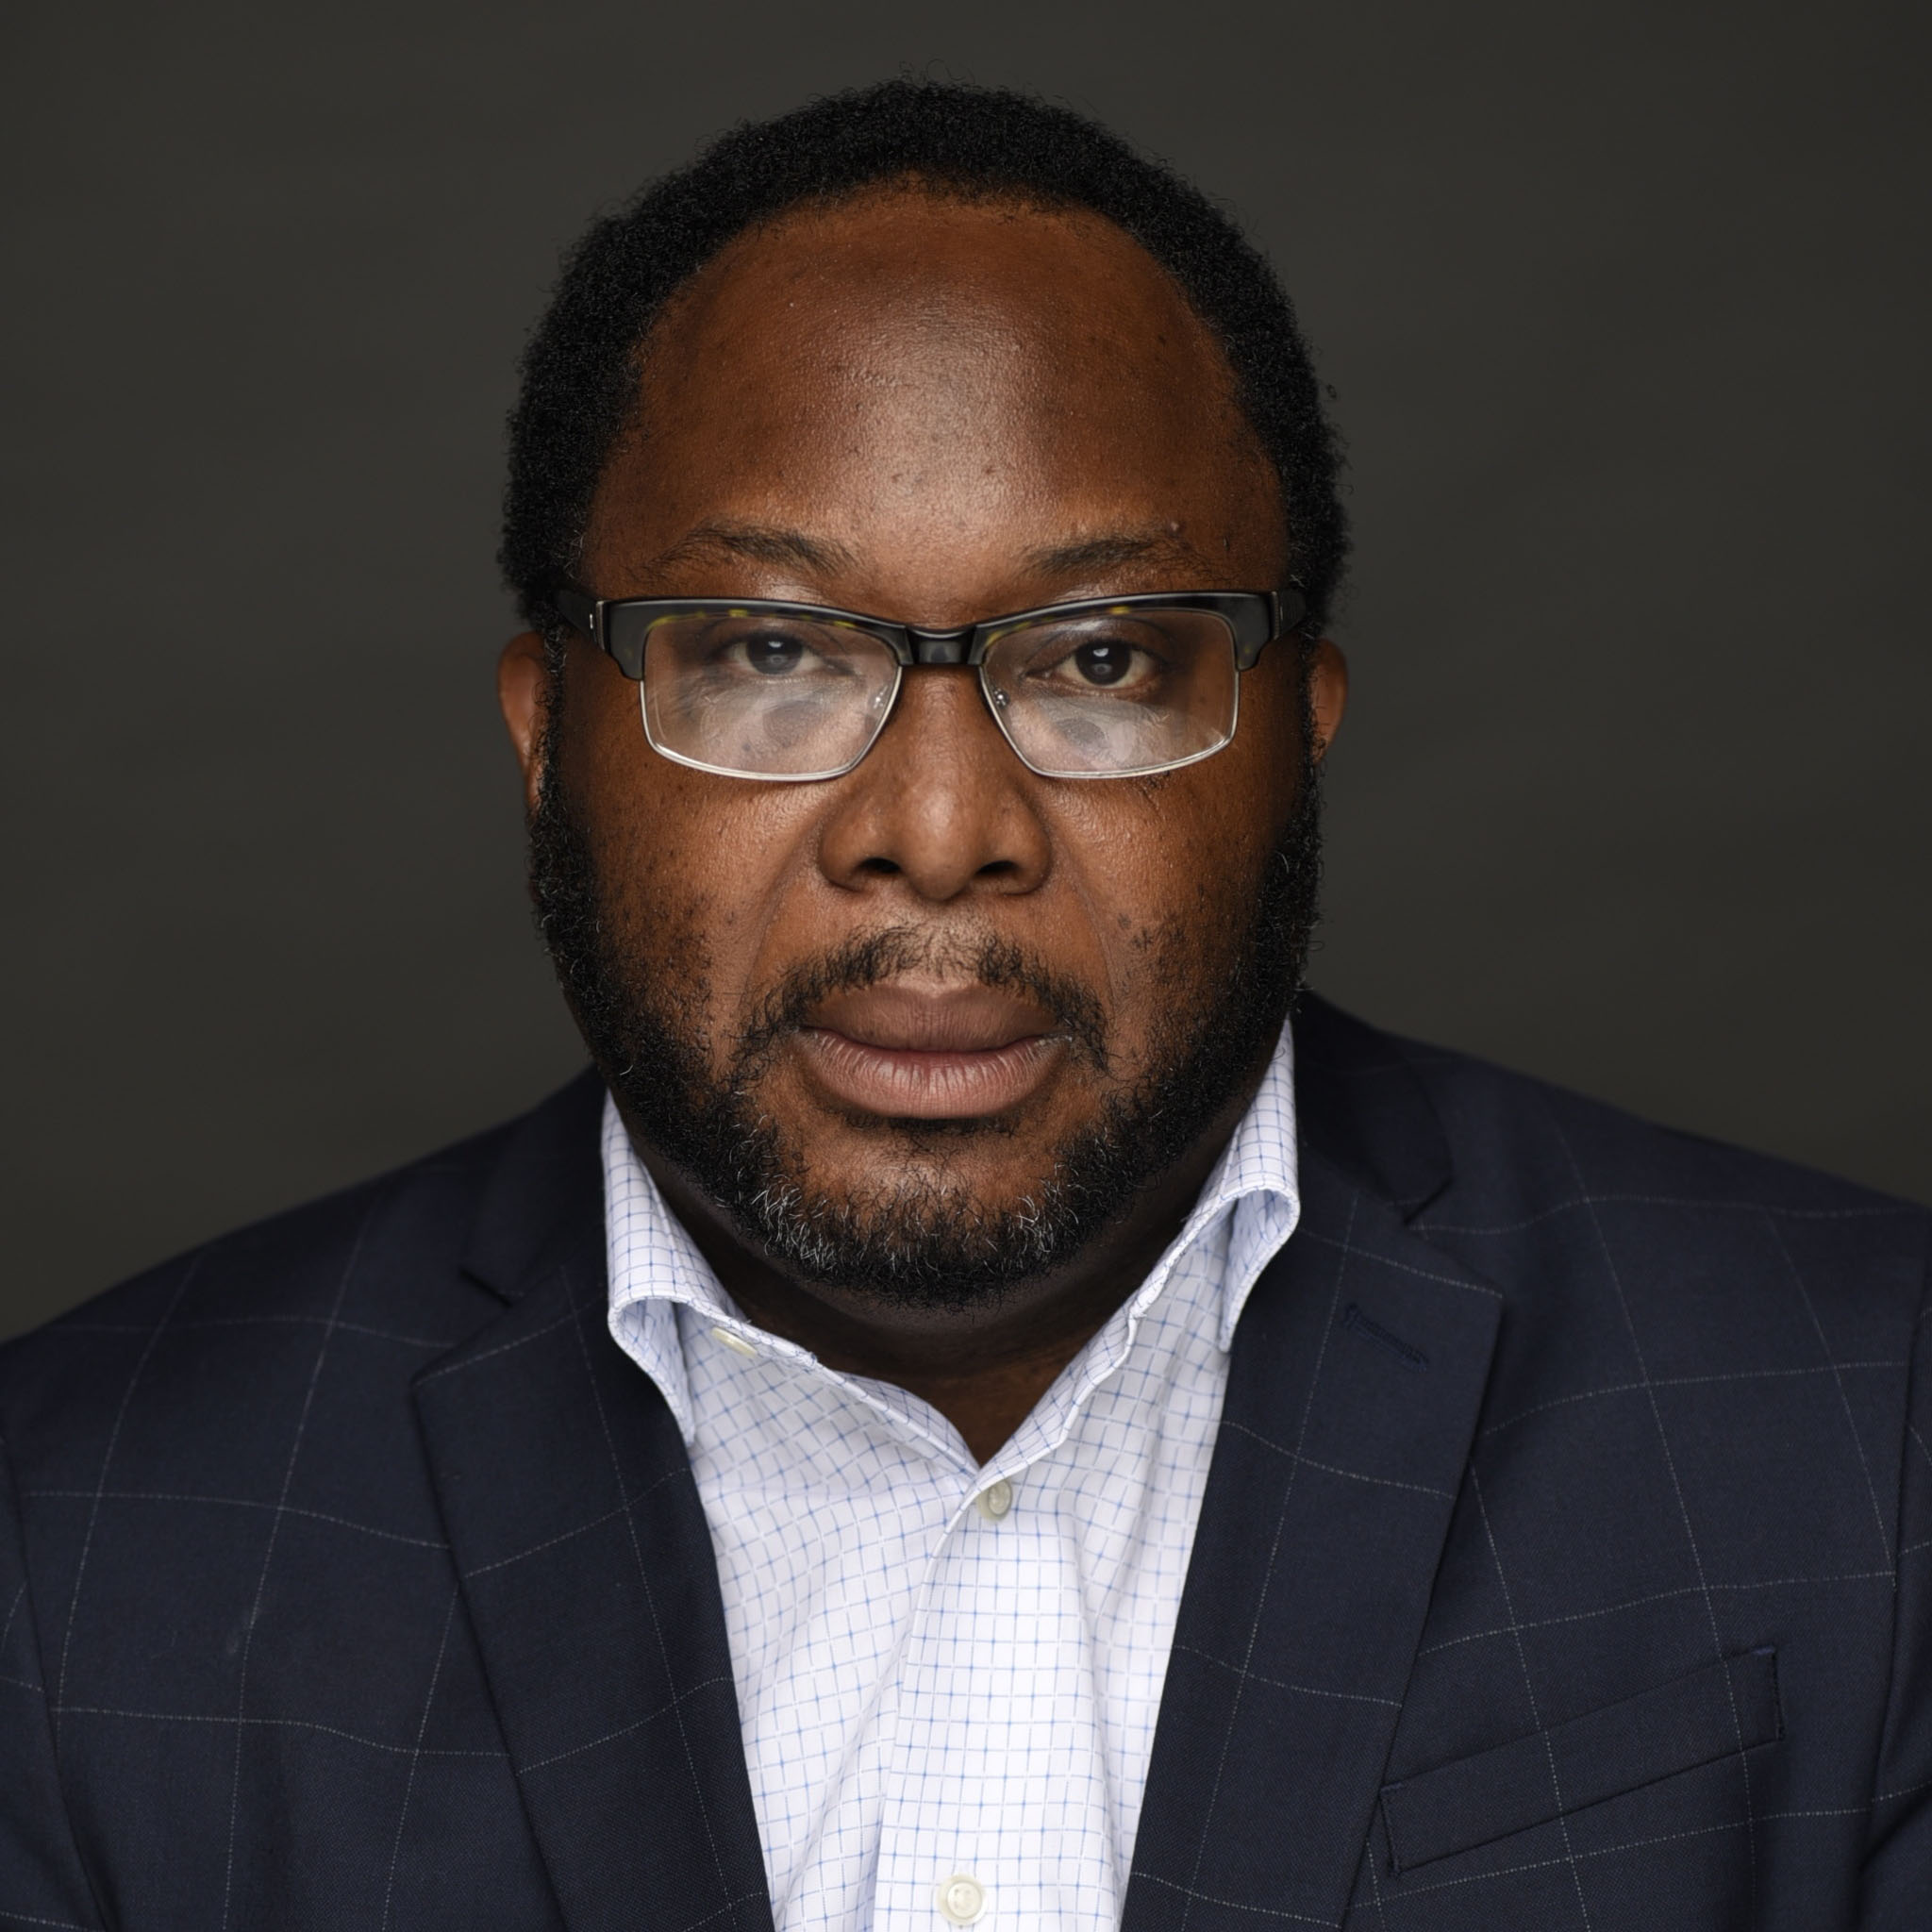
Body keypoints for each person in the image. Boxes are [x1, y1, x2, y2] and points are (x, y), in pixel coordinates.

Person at [1, 78, 1924, 1932]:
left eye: (1099, 657)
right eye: (763, 650)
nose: (939, 830)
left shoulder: (1863, 1425)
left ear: (1297, 734)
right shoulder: (80, 1544)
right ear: (544, 739)